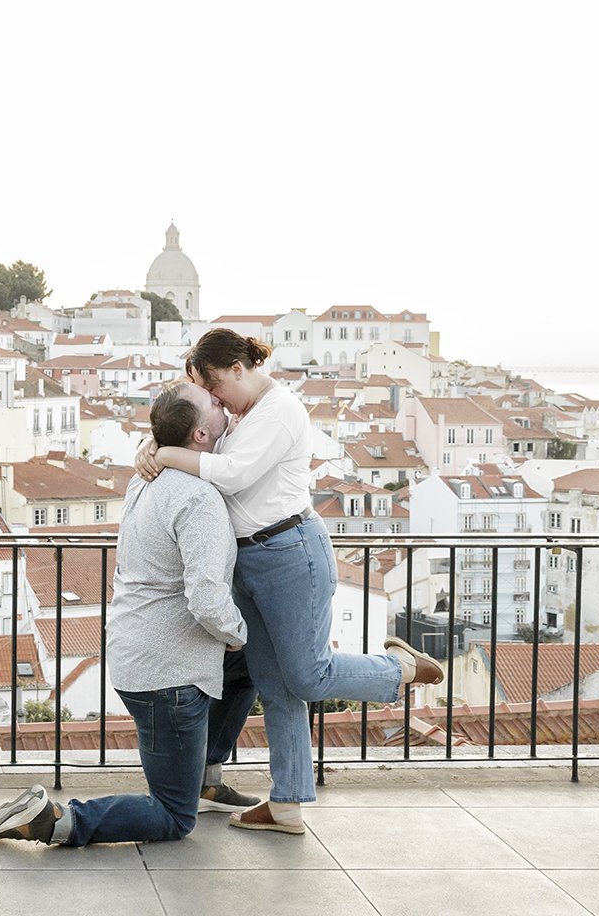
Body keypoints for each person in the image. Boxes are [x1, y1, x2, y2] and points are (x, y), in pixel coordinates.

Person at [135, 328, 443, 835]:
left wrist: (165, 455)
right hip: (251, 560)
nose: (214, 399)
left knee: (306, 676)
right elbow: (199, 435)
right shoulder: (242, 412)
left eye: (216, 386)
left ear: (239, 368)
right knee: (276, 688)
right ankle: (287, 805)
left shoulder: (280, 410)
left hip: (288, 552)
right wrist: (153, 441)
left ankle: (398, 668)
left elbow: (230, 473)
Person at [0, 380, 256, 846]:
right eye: (212, 403)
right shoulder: (199, 500)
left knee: (247, 665)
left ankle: (206, 773)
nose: (218, 400)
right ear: (201, 438)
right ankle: (52, 819)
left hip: (137, 653)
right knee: (173, 816)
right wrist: (236, 631)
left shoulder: (144, 479)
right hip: (168, 677)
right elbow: (207, 600)